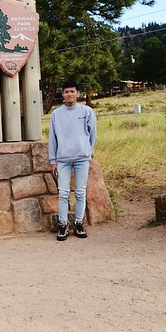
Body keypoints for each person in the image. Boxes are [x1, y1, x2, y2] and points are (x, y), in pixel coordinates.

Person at [48, 79, 97, 241]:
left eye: (72, 91)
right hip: (63, 159)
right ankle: (63, 225)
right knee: (63, 193)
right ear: (62, 94)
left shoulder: (86, 112)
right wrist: (52, 161)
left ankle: (78, 223)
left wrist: (87, 151)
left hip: (82, 158)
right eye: (66, 92)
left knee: (81, 191)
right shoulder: (56, 114)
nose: (69, 94)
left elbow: (92, 134)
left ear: (78, 93)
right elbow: (52, 139)